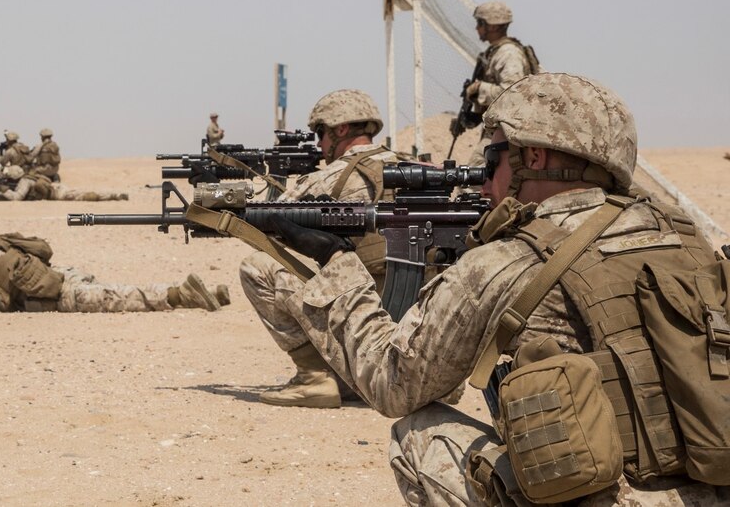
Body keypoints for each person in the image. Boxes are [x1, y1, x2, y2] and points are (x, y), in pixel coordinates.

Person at [271, 73, 726, 505]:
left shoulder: (508, 260)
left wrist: (337, 266)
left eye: (491, 160)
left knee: (420, 433)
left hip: (607, 495)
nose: (484, 179)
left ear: (534, 158)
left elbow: (393, 384)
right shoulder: (688, 239)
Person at [240, 89, 400, 409]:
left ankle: (316, 377)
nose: (319, 144)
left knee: (258, 266)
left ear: (340, 129)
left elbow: (270, 222)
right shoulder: (410, 169)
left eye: (320, 133)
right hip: (411, 329)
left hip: (363, 314)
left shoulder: (329, 177)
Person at [0, 213, 229, 314]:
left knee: (122, 298)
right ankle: (207, 294)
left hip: (61, 294)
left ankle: (182, 295)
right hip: (65, 276)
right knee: (116, 291)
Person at [449, 1, 539, 165]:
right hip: (498, 131)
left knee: (473, 180)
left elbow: (514, 93)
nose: (477, 28)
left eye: (480, 23)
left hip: (508, 132)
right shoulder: (495, 52)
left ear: (493, 26)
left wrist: (479, 88)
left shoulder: (508, 54)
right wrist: (465, 118)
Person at [0, 166, 127, 202]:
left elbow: (17, 197)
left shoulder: (24, 181)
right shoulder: (31, 176)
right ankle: (114, 195)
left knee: (87, 196)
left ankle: (114, 196)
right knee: (82, 193)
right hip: (58, 187)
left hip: (59, 193)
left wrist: (5, 191)